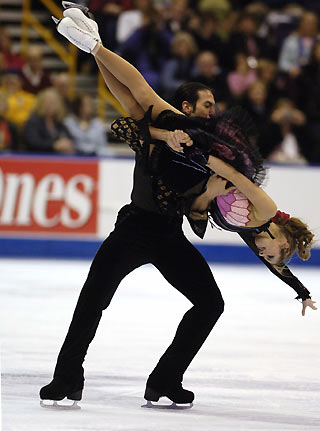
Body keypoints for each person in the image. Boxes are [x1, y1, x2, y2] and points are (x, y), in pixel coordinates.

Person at [40, 5, 316, 409]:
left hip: (169, 233)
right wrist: (167, 140)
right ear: (186, 106)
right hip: (135, 227)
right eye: (205, 104)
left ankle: (165, 380)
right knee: (92, 297)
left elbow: (267, 253)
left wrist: (300, 290)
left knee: (210, 303)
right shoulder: (176, 128)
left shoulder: (198, 151)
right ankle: (67, 378)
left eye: (212, 106)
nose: (211, 111)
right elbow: (129, 119)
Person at [24, 88, 74, 154]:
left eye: (54, 102)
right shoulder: (33, 122)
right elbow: (33, 143)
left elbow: (69, 140)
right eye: (48, 101)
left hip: (57, 160)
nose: (51, 105)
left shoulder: (60, 124)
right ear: (40, 103)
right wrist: (54, 145)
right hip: (36, 159)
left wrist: (67, 145)